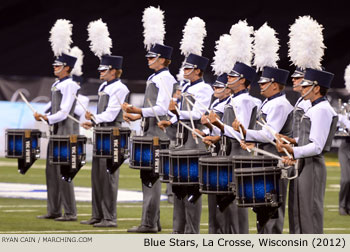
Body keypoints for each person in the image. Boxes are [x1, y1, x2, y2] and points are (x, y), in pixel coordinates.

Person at [276, 68, 338, 233]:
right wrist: (292, 141)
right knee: (298, 212)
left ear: (316, 88)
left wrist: (293, 151)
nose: (301, 89)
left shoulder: (322, 109)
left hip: (312, 164)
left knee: (309, 214)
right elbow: (308, 138)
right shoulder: (314, 108)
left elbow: (317, 146)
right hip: (304, 162)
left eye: (305, 86)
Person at [232, 66, 293, 234]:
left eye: (264, 82)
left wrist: (245, 132)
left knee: (273, 204)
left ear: (274, 85)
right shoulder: (270, 102)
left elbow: (269, 134)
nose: (260, 85)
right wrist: (251, 142)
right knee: (263, 204)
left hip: (275, 160)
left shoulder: (280, 104)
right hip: (266, 158)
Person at [123, 43, 176, 233]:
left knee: (151, 179)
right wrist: (138, 116)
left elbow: (162, 109)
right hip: (150, 133)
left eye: (152, 56)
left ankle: (149, 223)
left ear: (162, 59)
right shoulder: (156, 77)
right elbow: (155, 109)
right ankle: (154, 221)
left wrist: (138, 109)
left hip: (158, 136)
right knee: (147, 177)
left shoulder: (165, 78)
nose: (148, 59)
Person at [159, 53, 213, 234]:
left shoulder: (204, 88)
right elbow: (182, 116)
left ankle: (191, 231)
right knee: (178, 188)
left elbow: (198, 114)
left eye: (188, 68)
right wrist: (172, 119)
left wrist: (177, 113)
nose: (185, 71)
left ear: (198, 70)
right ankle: (178, 229)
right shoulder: (186, 87)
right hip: (180, 141)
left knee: (191, 189)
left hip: (193, 144)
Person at [205, 62, 258, 234]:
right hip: (229, 153)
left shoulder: (244, 100)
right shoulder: (234, 99)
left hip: (238, 153)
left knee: (236, 202)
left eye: (233, 76)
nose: (228, 78)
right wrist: (216, 132)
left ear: (243, 80)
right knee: (227, 203)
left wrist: (218, 125)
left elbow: (239, 133)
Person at [80, 55, 129, 228]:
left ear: (113, 71)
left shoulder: (120, 88)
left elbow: (111, 114)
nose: (100, 72)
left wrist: (93, 119)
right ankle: (97, 214)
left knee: (108, 176)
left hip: (112, 133)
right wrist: (91, 118)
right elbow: (102, 113)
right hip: (101, 132)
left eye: (104, 69)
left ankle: (110, 217)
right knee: (97, 176)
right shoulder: (103, 86)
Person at [35, 52, 79, 221]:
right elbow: (54, 109)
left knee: (64, 173)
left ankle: (70, 212)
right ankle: (53, 210)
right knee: (51, 173)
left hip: (65, 134)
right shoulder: (57, 84)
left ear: (67, 67)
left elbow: (65, 111)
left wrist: (48, 118)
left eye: (58, 65)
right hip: (55, 132)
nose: (54, 67)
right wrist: (44, 116)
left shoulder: (70, 85)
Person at [337, 109, 350, 216]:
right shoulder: (345, 116)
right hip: (345, 148)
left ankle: (348, 206)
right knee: (346, 179)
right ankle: (342, 205)